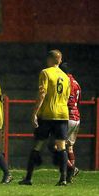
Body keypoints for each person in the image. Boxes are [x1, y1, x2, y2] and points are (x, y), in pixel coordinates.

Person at [19, 50, 70, 186]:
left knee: (38, 145)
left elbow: (42, 94)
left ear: (49, 59)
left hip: (47, 114)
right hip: (62, 114)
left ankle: (28, 178)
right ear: (59, 60)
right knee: (61, 146)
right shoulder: (66, 77)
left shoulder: (45, 73)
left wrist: (35, 112)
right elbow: (66, 97)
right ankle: (63, 178)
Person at [59, 62, 81, 182]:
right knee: (70, 147)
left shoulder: (65, 82)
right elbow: (79, 100)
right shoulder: (76, 83)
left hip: (68, 117)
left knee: (57, 146)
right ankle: (69, 177)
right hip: (77, 117)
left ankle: (72, 169)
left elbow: (66, 99)